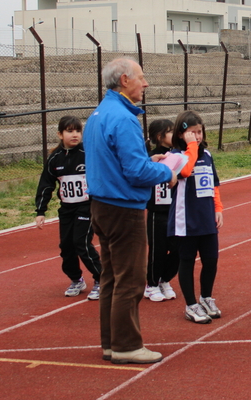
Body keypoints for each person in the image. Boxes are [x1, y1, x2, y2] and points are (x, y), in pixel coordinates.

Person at [84, 57, 176, 365]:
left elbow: (119, 163)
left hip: (102, 204)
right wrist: (166, 173)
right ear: (125, 80)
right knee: (132, 279)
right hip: (123, 208)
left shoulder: (98, 114)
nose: (145, 83)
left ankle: (112, 343)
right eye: (141, 77)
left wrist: (153, 163)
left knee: (112, 276)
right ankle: (126, 345)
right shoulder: (123, 119)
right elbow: (136, 172)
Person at [35, 115, 102, 300]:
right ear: (60, 134)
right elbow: (46, 185)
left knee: (81, 242)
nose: (75, 135)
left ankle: (100, 278)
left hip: (86, 207)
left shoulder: (88, 154)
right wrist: (41, 211)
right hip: (67, 209)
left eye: (78, 131)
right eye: (70, 131)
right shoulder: (54, 159)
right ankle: (76, 279)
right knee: (66, 247)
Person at [167, 111, 224, 324]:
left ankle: (206, 297)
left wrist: (218, 208)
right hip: (186, 219)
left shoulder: (207, 155)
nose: (197, 137)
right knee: (187, 261)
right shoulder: (176, 156)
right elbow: (185, 171)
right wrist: (191, 147)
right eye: (192, 133)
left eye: (199, 132)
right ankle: (191, 304)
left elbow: (213, 184)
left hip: (206, 216)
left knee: (211, 260)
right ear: (181, 134)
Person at [144, 119, 179, 303]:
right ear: (159, 136)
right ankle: (151, 284)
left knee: (178, 249)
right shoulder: (150, 157)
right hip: (157, 211)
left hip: (175, 211)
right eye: (170, 132)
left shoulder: (178, 156)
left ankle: (164, 279)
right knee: (157, 250)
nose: (175, 135)